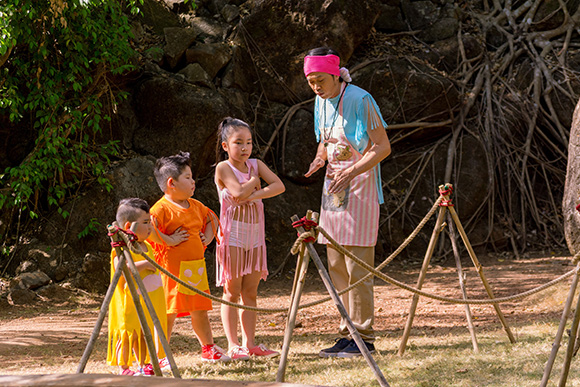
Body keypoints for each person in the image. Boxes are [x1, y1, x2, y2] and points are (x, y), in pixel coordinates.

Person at [303, 47, 391, 358]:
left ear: (335, 75)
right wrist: (318, 159)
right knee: (336, 265)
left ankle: (364, 337)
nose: (316, 86)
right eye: (311, 80)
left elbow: (382, 147)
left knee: (358, 267)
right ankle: (346, 333)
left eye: (320, 80)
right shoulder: (320, 101)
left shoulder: (361, 99)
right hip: (333, 190)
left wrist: (352, 170)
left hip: (361, 189)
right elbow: (325, 141)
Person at [148, 151, 231, 362]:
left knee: (200, 310)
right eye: (188, 178)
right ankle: (160, 356)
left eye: (192, 177)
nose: (193, 182)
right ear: (171, 183)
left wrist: (208, 238)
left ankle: (208, 348)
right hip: (171, 272)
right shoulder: (161, 209)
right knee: (168, 313)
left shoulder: (196, 205)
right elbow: (148, 231)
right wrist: (168, 240)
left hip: (195, 269)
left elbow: (211, 219)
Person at [214, 117, 286, 360]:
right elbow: (237, 191)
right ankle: (233, 344)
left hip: (254, 237)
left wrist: (254, 195)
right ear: (226, 146)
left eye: (248, 143)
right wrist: (255, 183)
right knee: (231, 291)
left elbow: (279, 186)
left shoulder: (255, 164)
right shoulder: (224, 168)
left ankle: (250, 343)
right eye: (238, 143)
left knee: (251, 292)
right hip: (232, 236)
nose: (244, 148)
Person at [107, 198, 168, 376]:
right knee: (128, 333)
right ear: (128, 226)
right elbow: (122, 267)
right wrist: (145, 266)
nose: (150, 227)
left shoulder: (147, 245)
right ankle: (124, 367)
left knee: (145, 333)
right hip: (129, 301)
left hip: (148, 299)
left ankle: (145, 363)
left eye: (150, 223)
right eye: (145, 223)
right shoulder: (122, 248)